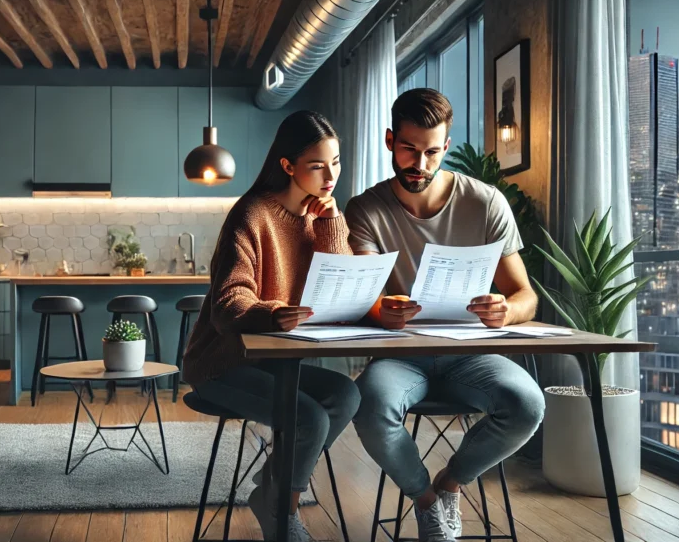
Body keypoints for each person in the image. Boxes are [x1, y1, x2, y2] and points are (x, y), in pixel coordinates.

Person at [345, 89, 545, 542]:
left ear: (446, 147)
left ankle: (450, 484)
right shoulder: (365, 210)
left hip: (469, 351)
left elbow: (525, 295)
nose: (420, 163)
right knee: (369, 405)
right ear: (390, 140)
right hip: (399, 356)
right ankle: (425, 500)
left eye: (432, 152)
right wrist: (381, 310)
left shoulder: (486, 202)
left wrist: (506, 310)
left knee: (527, 405)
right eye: (409, 149)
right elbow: (362, 297)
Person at [182, 110, 360, 542]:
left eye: (335, 162)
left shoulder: (322, 218)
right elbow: (228, 304)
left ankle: (273, 492)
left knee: (346, 394)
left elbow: (342, 287)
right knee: (310, 421)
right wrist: (270, 312)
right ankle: (282, 512)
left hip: (277, 361)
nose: (329, 175)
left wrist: (331, 225)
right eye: (317, 165)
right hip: (222, 363)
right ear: (288, 166)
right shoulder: (252, 214)